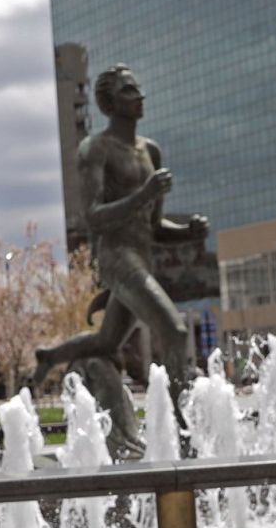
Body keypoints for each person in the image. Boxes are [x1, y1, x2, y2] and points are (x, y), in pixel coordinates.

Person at [32, 66, 208, 402]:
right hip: (116, 257)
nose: (139, 96)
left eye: (138, 89)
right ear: (109, 102)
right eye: (129, 90)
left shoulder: (151, 152)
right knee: (174, 330)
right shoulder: (95, 148)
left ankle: (49, 356)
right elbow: (93, 218)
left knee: (106, 342)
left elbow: (154, 228)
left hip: (142, 258)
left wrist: (188, 231)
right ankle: (184, 426)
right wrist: (144, 193)